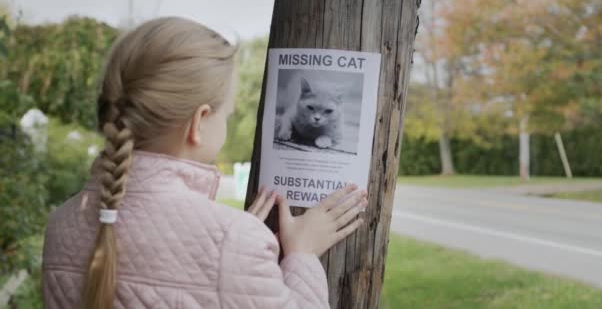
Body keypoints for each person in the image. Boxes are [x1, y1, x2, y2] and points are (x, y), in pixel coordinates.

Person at [42, 17, 368, 309]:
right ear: (199, 122)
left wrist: (230, 237)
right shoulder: (236, 241)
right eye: (226, 114)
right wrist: (302, 255)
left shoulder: (60, 225)